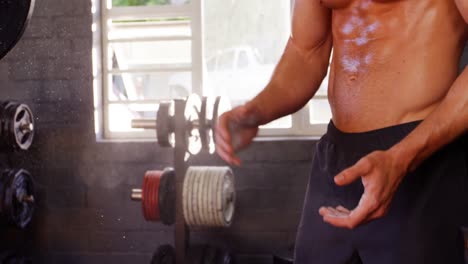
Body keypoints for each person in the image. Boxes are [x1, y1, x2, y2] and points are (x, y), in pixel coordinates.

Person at [215, 0, 468, 263]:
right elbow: (306, 52)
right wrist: (257, 110)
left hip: (419, 155)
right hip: (336, 160)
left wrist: (402, 157)